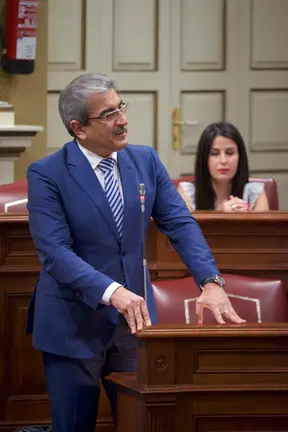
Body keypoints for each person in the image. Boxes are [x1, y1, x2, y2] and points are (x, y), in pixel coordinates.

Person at [26, 73, 245, 432]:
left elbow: (179, 223)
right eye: (109, 113)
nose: (123, 119)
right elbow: (55, 253)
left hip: (134, 324)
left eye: (121, 107)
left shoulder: (144, 161)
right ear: (79, 128)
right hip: (72, 323)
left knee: (141, 423)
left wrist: (210, 280)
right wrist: (113, 293)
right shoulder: (47, 174)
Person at [178, 122, 269, 212]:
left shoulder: (256, 193)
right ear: (204, 158)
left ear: (240, 157)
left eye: (230, 153)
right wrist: (222, 215)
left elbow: (263, 227)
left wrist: (244, 219)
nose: (223, 161)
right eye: (214, 153)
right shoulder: (186, 193)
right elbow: (183, 226)